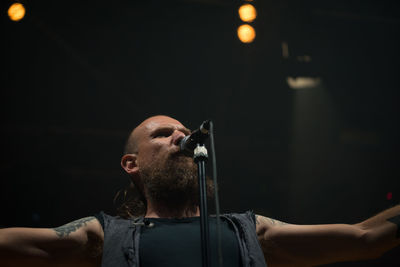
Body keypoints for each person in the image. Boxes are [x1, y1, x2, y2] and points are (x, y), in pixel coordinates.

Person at [0, 115, 399, 267]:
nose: (181, 137)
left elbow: (367, 237)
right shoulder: (102, 237)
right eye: (162, 134)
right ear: (131, 164)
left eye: (184, 132)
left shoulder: (249, 232)